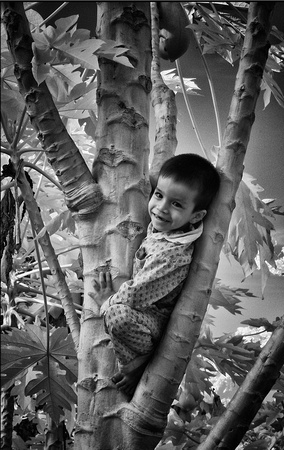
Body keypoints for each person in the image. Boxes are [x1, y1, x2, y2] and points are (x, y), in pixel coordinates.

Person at [90, 153, 220, 396]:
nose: (161, 208)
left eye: (177, 204)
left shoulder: (172, 255)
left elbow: (137, 295)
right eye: (159, 195)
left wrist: (106, 300)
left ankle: (137, 364)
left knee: (115, 314)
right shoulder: (172, 229)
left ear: (196, 216)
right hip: (144, 314)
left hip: (151, 321)